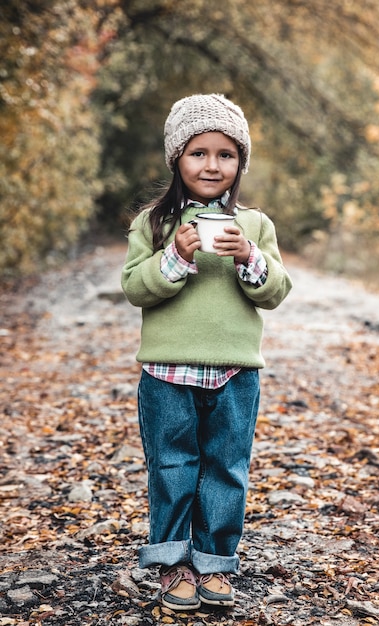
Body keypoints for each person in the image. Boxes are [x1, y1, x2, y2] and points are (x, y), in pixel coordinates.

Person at [121, 93, 292, 611]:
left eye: (226, 154)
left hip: (235, 373)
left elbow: (276, 291)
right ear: (177, 158)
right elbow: (135, 287)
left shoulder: (256, 225)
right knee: (173, 465)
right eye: (199, 153)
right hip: (166, 370)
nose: (212, 165)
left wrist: (249, 257)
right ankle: (173, 565)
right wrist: (174, 256)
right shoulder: (153, 223)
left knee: (226, 467)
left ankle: (215, 562)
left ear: (240, 162)